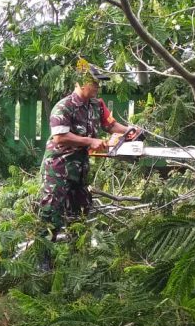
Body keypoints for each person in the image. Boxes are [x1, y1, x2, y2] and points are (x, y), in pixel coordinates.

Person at [38, 63, 129, 233]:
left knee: (79, 214)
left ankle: (77, 255)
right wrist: (90, 141)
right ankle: (45, 257)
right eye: (94, 82)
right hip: (58, 169)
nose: (97, 86)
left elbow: (110, 125)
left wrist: (130, 131)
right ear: (80, 82)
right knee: (51, 214)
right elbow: (60, 137)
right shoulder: (64, 107)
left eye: (98, 83)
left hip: (80, 170)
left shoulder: (96, 104)